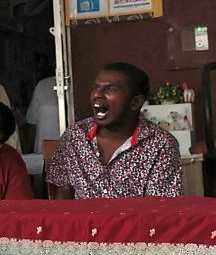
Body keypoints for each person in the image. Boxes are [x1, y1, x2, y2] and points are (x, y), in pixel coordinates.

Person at [47, 63, 182, 199]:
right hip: (81, 214)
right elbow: (62, 198)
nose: (97, 94)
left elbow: (160, 207)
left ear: (135, 102)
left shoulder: (160, 144)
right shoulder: (75, 136)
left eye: (110, 90)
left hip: (137, 214)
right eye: (96, 88)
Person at [23, 75, 61, 156]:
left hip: (71, 153)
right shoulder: (43, 85)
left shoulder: (78, 86)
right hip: (42, 154)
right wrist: (27, 152)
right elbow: (32, 122)